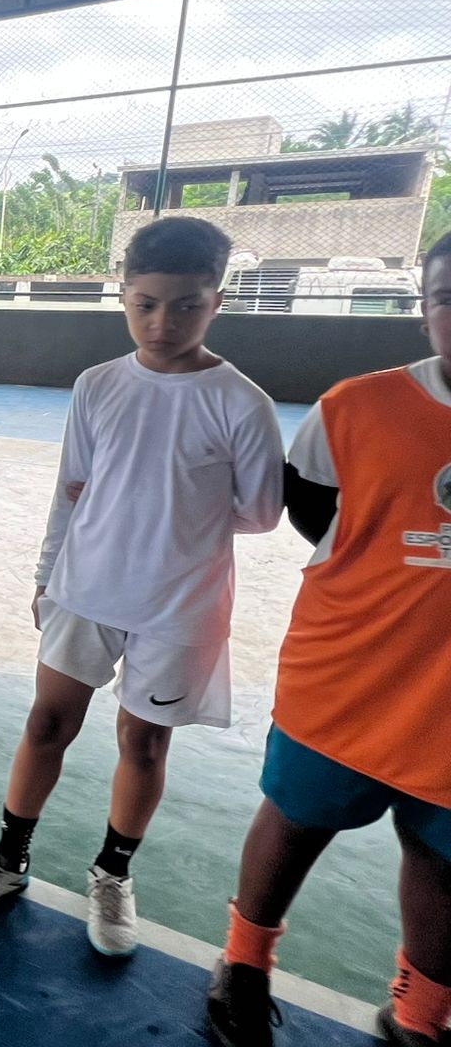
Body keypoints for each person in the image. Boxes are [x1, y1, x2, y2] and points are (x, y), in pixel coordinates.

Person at [0, 217, 286, 956]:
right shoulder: (97, 385)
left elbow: (261, 513)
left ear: (217, 302)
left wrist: (170, 511)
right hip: (84, 591)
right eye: (146, 304)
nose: (162, 323)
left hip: (180, 607)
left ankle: (112, 873)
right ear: (123, 295)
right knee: (46, 725)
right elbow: (70, 492)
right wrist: (46, 576)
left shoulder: (242, 402)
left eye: (187, 306)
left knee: (145, 743)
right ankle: (8, 859)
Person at [205, 234, 451, 1047]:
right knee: (296, 821)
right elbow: (312, 508)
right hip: (348, 674)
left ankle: (419, 1012)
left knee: (442, 857)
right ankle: (244, 964)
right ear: (424, 312)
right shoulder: (356, 408)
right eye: (448, 297)